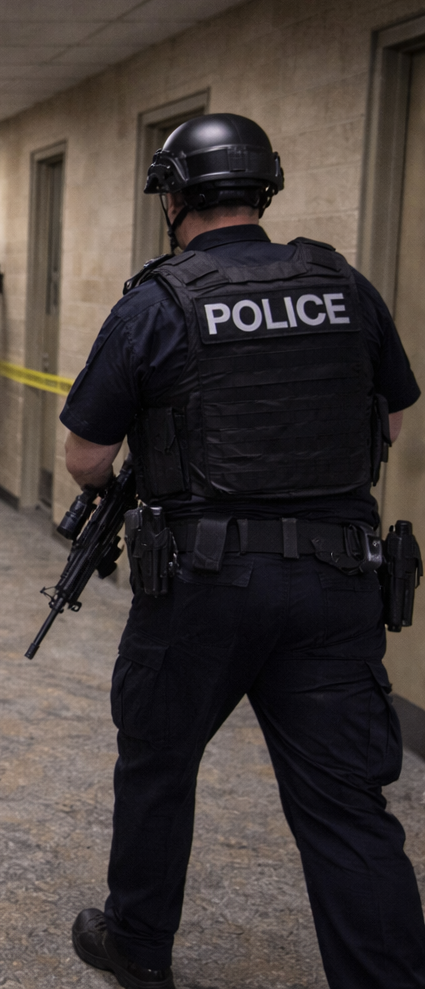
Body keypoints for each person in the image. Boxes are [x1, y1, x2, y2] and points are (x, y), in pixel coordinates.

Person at [61, 113, 425, 989]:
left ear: (173, 197)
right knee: (346, 806)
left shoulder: (158, 301)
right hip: (337, 580)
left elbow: (85, 456)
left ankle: (139, 947)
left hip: (202, 585)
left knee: (158, 763)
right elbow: (393, 418)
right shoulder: (343, 284)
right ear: (264, 191)